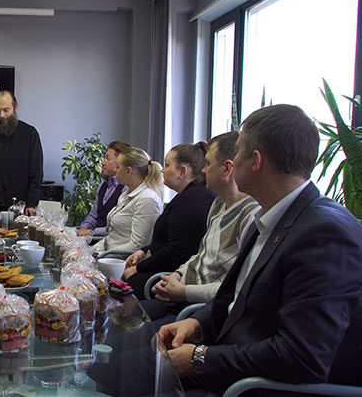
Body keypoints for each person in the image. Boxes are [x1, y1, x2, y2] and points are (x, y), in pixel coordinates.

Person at [159, 105, 362, 395]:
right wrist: (196, 323)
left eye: (238, 151)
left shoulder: (324, 234)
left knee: (127, 374)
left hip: (253, 385)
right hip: (230, 362)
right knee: (124, 365)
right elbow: (236, 300)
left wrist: (201, 359)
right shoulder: (270, 217)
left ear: (255, 161)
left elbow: (301, 357)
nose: (232, 160)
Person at [141, 132, 258, 327]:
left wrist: (183, 291)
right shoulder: (218, 204)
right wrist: (176, 276)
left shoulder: (251, 216)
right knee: (120, 320)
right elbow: (200, 255)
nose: (203, 170)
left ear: (227, 168)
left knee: (135, 337)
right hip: (183, 295)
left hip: (201, 310)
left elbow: (234, 288)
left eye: (208, 164)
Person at [122, 142, 216, 300]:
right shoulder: (186, 196)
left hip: (169, 275)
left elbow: (176, 253)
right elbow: (167, 240)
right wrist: (143, 251)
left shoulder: (192, 202)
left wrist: (138, 268)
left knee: (121, 291)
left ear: (183, 171)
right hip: (161, 268)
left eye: (167, 165)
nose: (162, 169)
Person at [0, 90, 43, 217]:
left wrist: (32, 203)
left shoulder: (30, 134)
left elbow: (36, 173)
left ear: (15, 107)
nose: (1, 115)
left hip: (23, 209)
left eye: (6, 110)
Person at [92, 147, 164, 253]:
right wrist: (89, 251)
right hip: (108, 255)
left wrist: (99, 255)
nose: (115, 170)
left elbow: (137, 246)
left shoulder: (147, 200)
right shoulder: (125, 195)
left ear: (128, 171)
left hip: (121, 260)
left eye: (117, 167)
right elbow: (112, 238)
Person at [78, 140, 133, 236]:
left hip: (109, 240)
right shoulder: (103, 185)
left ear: (120, 162)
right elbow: (93, 215)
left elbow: (118, 229)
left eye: (108, 159)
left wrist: (90, 232)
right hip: (95, 238)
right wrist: (83, 228)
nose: (103, 162)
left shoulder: (127, 189)